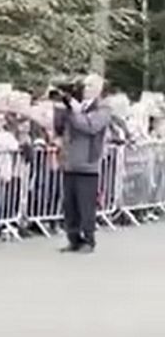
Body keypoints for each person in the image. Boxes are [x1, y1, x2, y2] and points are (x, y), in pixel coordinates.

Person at [54, 74, 111, 254]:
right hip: (70, 161)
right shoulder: (76, 106)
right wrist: (61, 108)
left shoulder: (103, 107)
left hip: (88, 163)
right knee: (70, 204)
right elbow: (59, 127)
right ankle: (73, 238)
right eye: (85, 85)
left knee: (86, 205)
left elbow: (90, 126)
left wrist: (73, 110)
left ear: (99, 88)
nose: (86, 88)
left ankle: (89, 239)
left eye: (90, 85)